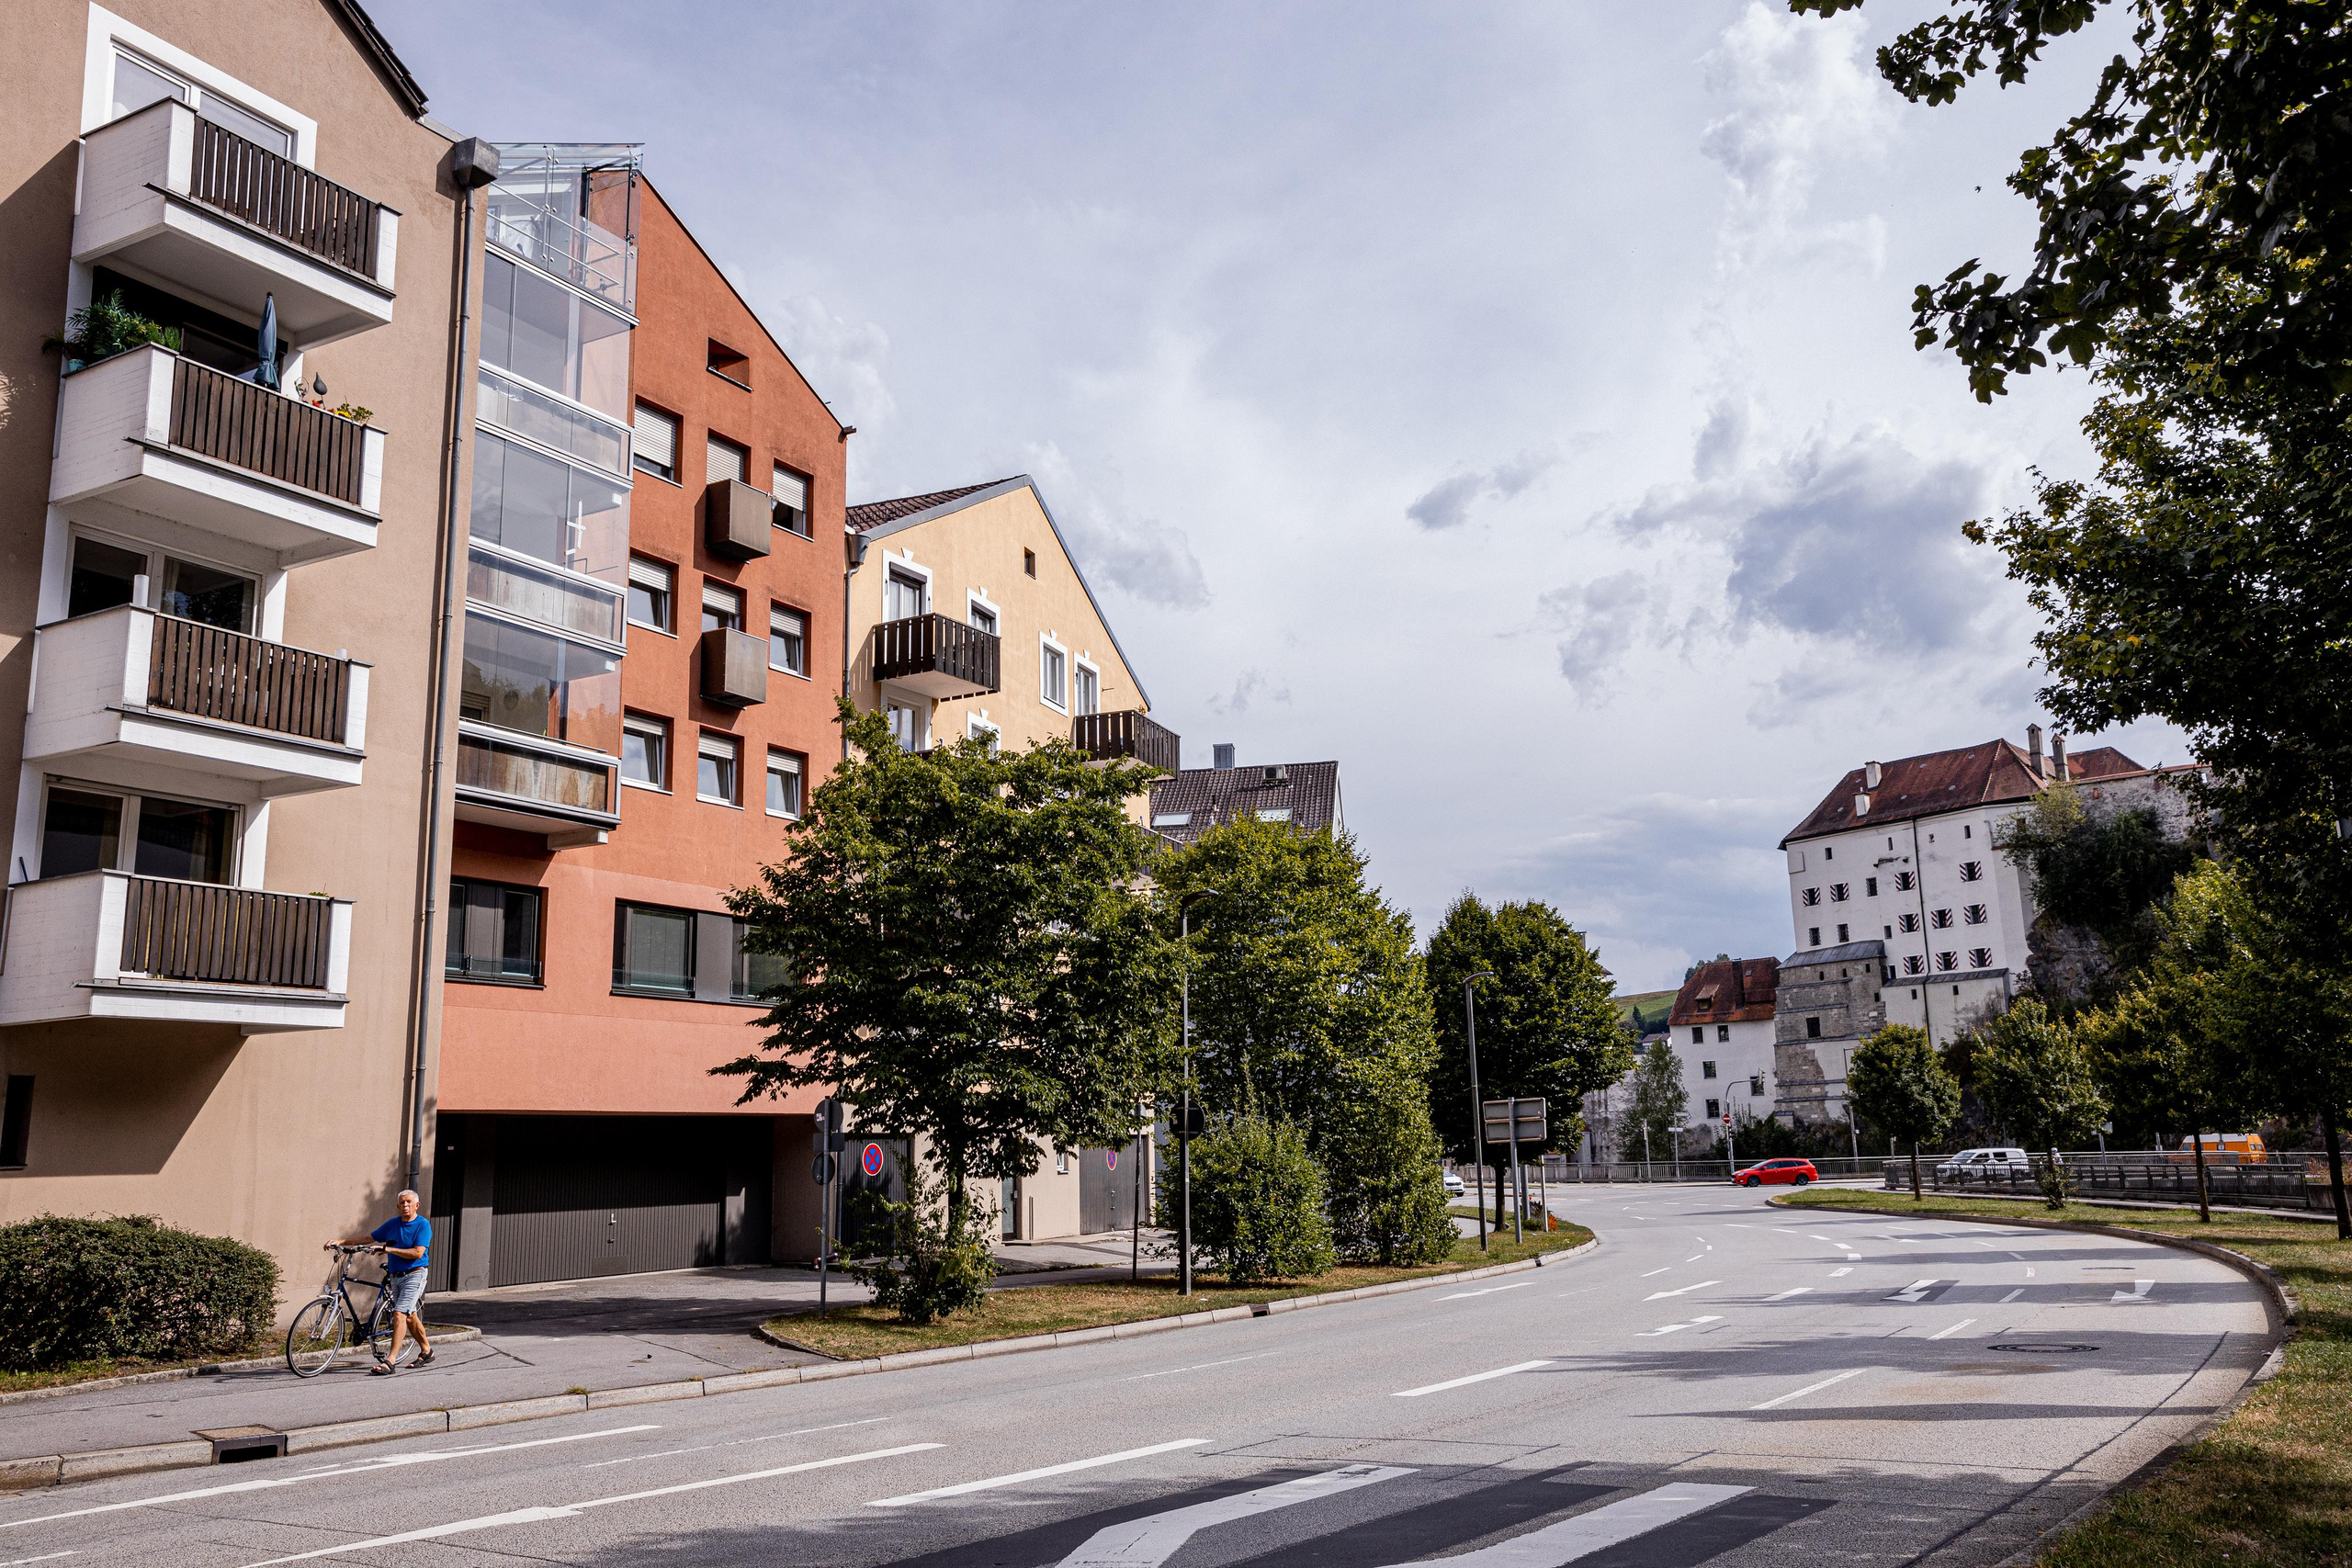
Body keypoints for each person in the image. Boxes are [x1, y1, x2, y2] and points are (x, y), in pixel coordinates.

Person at [332, 1190, 434, 1374]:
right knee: (409, 1315)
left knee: (399, 1314)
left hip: (415, 1274)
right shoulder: (393, 1224)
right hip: (396, 1276)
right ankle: (427, 1350)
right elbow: (368, 1238)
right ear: (398, 1206)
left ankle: (390, 1361)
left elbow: (418, 1253)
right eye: (402, 1203)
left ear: (417, 1205)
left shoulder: (423, 1225)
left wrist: (389, 1250)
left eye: (409, 1202)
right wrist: (341, 1241)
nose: (405, 1206)